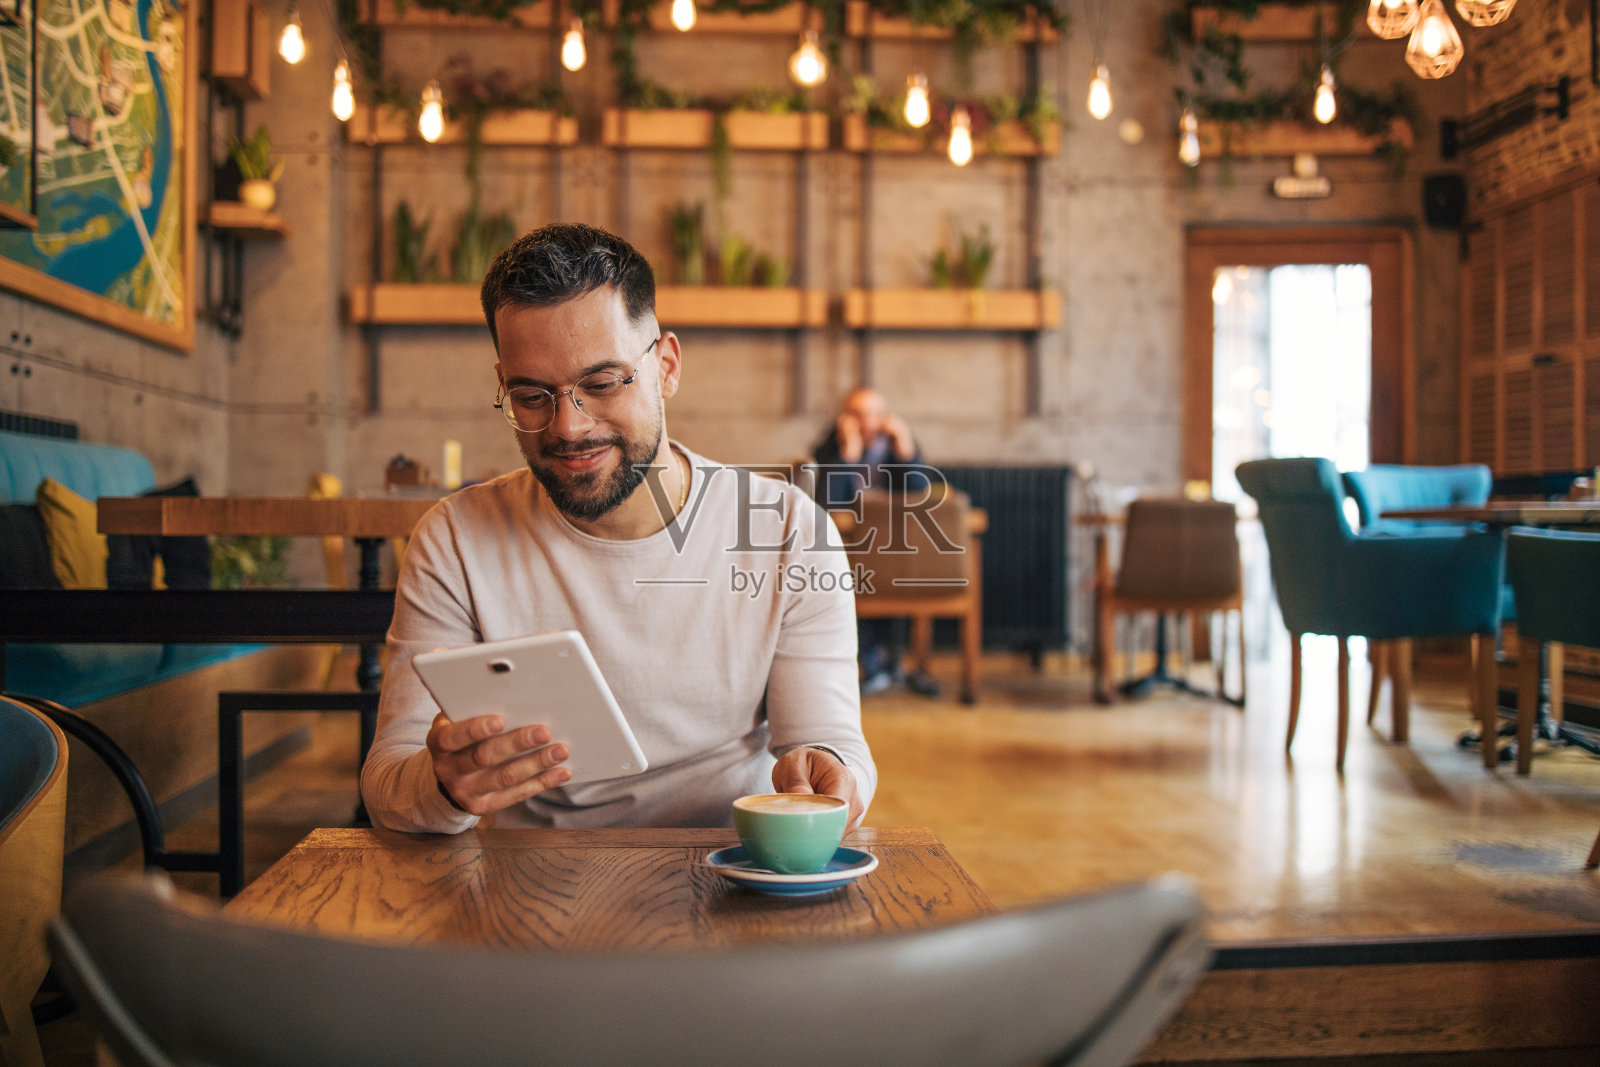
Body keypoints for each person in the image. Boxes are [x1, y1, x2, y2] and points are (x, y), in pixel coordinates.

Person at [360, 223, 873, 833]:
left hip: (727, 864)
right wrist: (444, 787)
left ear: (666, 367)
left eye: (601, 384)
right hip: (532, 888)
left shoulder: (788, 531)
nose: (569, 427)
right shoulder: (455, 541)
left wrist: (830, 770)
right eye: (531, 396)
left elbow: (830, 741)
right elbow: (389, 784)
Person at [810, 388, 940, 697]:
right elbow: (821, 505)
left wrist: (908, 454)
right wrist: (847, 456)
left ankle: (888, 662)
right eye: (856, 414)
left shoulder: (897, 449)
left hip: (893, 552)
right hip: (846, 550)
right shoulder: (828, 449)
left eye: (874, 413)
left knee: (891, 570)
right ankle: (871, 661)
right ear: (843, 418)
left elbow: (922, 498)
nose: (866, 422)